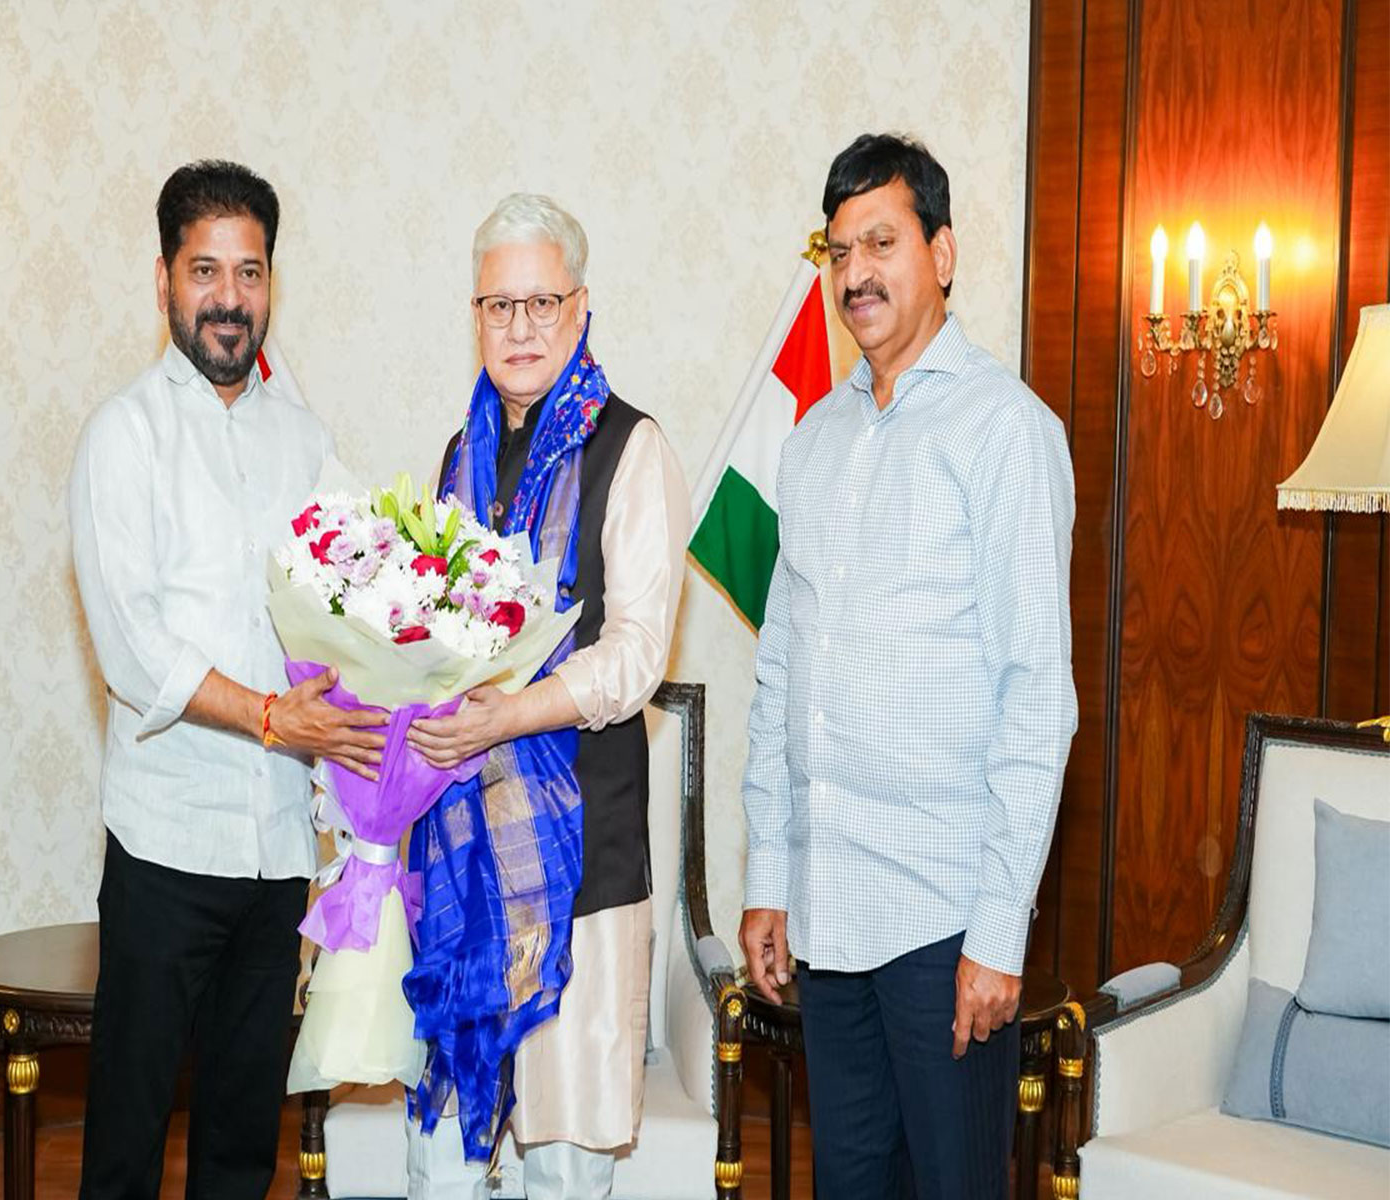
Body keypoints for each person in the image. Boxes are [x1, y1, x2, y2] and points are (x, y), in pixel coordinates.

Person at [738, 133, 1078, 1199]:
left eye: (881, 243)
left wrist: (997, 935)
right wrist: (768, 878)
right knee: (847, 1184)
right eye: (838, 251)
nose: (856, 274)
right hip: (827, 910)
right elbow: (780, 678)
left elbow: (1037, 699)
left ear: (943, 253)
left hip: (943, 920)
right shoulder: (813, 441)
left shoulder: (1005, 431)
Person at [69, 159, 389, 1200]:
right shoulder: (124, 435)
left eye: (249, 273)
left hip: (277, 857)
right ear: (164, 278)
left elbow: (366, 594)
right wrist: (269, 718)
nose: (228, 298)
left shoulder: (305, 440)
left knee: (243, 1151)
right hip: (167, 846)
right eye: (205, 270)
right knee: (126, 1148)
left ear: (270, 286)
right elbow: (132, 650)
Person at [399, 193, 689, 1200]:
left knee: (563, 1169)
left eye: (541, 303)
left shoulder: (631, 449)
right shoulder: (459, 456)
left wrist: (514, 713)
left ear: (580, 307)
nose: (519, 328)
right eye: (498, 306)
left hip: (578, 872)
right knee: (443, 1169)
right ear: (476, 316)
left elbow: (636, 655)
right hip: (460, 865)